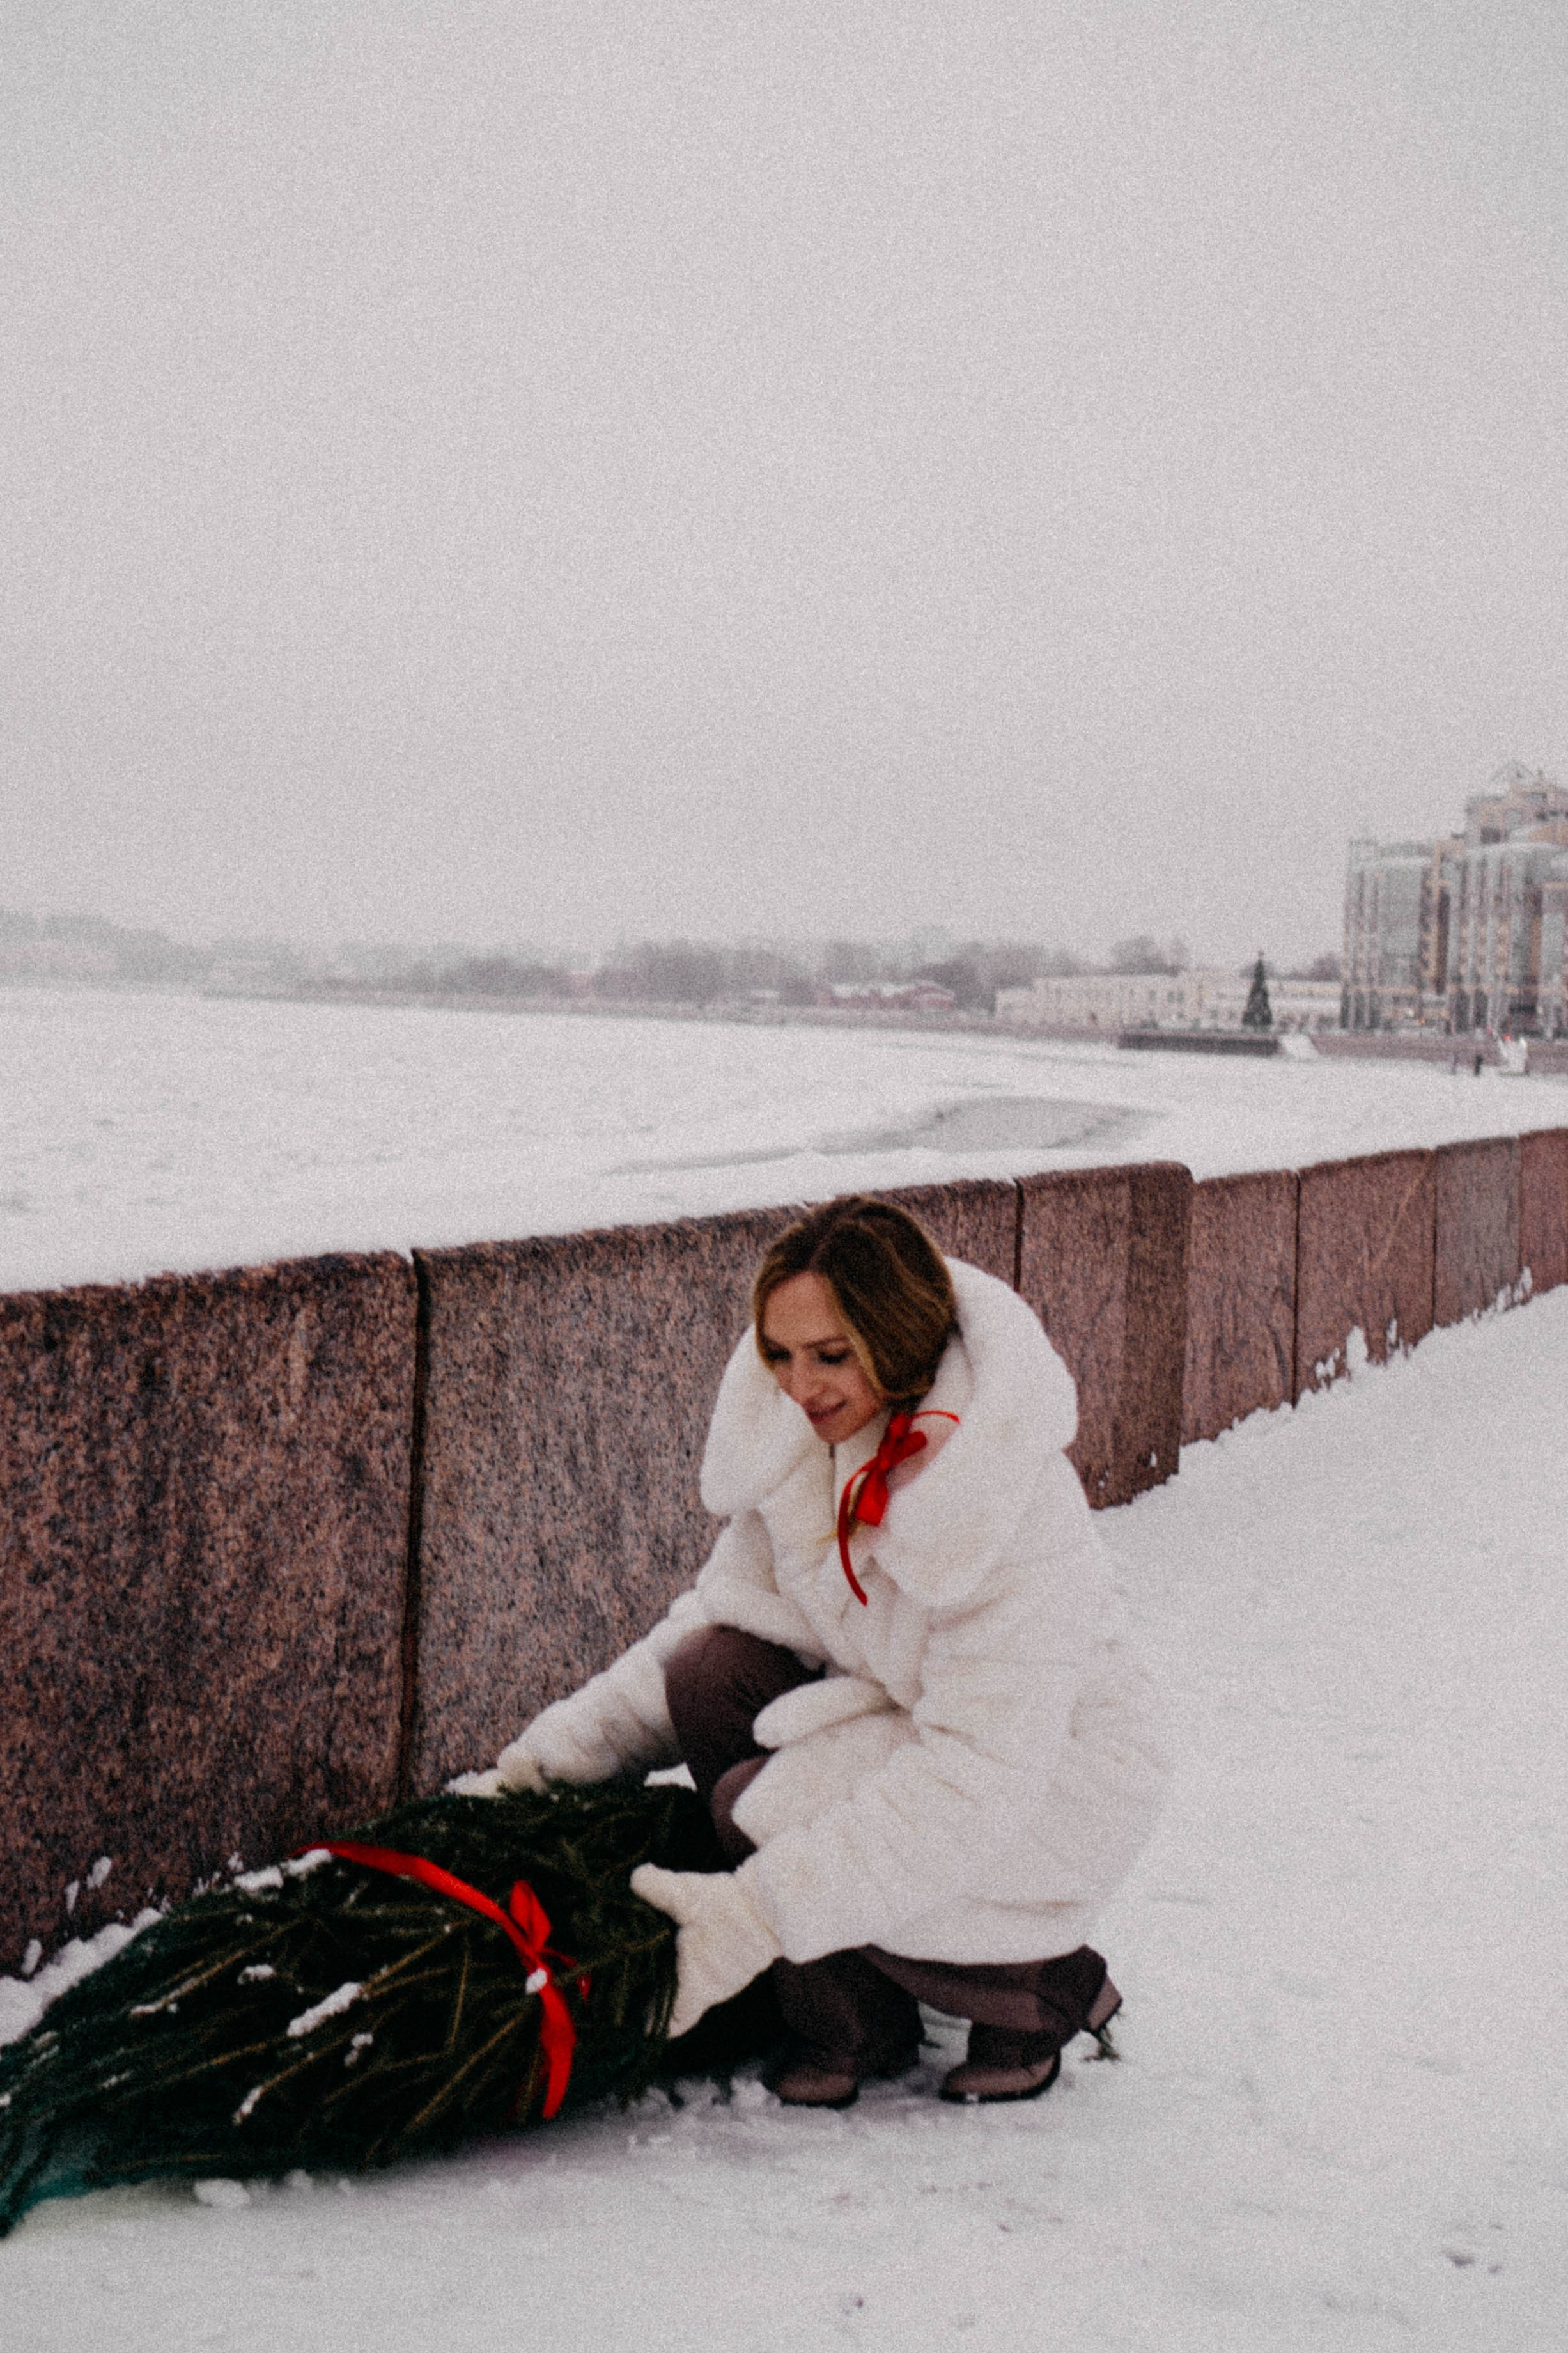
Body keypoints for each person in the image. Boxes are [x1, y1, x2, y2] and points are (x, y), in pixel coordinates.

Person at [472, 1195, 1168, 2107]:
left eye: (831, 1356)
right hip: (910, 1719)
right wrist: (540, 1769)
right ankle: (856, 2020)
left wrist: (752, 1915)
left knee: (759, 1804)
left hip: (1052, 1778)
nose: (800, 1386)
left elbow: (978, 1777)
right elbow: (708, 1621)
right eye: (780, 1355)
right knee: (710, 1674)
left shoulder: (1009, 1500)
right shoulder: (811, 1443)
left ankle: (1039, 1987)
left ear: (894, 1337)